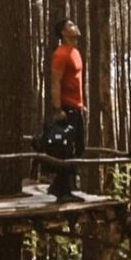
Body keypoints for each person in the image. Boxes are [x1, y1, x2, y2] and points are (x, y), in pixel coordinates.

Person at [47, 18, 86, 202]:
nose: (75, 26)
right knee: (65, 149)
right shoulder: (61, 53)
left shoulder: (75, 52)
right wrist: (57, 109)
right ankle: (63, 191)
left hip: (77, 107)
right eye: (70, 25)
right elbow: (55, 81)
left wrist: (81, 105)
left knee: (79, 147)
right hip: (66, 108)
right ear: (63, 32)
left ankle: (59, 185)